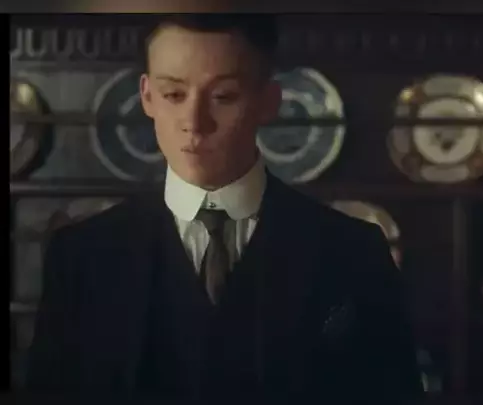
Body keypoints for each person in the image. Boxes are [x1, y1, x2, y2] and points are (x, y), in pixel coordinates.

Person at [26, 14, 422, 402]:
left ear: (269, 102)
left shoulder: (354, 252)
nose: (194, 123)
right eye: (174, 95)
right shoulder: (81, 257)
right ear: (146, 96)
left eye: (223, 96)